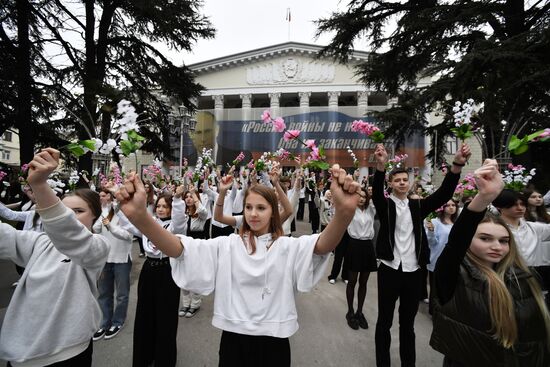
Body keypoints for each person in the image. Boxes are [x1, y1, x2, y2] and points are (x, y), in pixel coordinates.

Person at [115, 164, 360, 367]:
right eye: (249, 207)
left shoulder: (286, 246)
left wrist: (344, 214)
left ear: (273, 213)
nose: (253, 213)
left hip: (274, 342)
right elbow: (180, 249)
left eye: (261, 208)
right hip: (233, 340)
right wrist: (141, 218)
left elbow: (321, 245)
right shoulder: (228, 245)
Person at [430, 160, 550, 366]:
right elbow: (455, 243)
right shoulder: (455, 276)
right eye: (485, 238)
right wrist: (484, 197)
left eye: (504, 241)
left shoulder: (526, 277)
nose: (497, 246)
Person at [0, 148, 109, 366]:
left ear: (96, 216)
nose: (70, 217)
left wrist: (40, 185)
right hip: (19, 355)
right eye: (65, 211)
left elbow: (70, 234)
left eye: (78, 211)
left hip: (67, 354)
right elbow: (5, 235)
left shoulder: (97, 247)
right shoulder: (39, 242)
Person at [372, 143, 470, 367]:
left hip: (413, 271)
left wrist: (457, 165)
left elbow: (444, 194)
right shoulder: (386, 206)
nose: (402, 183)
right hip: (389, 269)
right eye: (396, 180)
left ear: (410, 183)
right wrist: (380, 166)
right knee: (384, 322)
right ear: (391, 184)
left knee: (408, 325)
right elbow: (377, 193)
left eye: (405, 180)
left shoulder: (418, 207)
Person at [127, 188, 187, 367]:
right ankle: (144, 355)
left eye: (165, 206)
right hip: (149, 270)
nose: (161, 209)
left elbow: (178, 218)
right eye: (158, 206)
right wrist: (120, 203)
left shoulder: (175, 226)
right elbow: (129, 223)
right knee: (145, 314)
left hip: (168, 271)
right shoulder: (150, 223)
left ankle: (164, 359)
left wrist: (176, 199)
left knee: (165, 317)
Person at [92, 189, 134, 341]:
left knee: (122, 295)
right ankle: (104, 323)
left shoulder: (127, 214)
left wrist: (110, 226)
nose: (101, 198)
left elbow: (128, 236)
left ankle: (117, 322)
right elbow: (96, 229)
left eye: (104, 195)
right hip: (105, 258)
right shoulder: (105, 210)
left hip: (122, 258)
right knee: (104, 293)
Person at [344, 188, 377, 330]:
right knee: (352, 281)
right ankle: (350, 312)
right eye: (359, 196)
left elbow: (380, 196)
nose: (362, 199)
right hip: (354, 245)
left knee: (364, 282)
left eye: (364, 196)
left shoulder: (371, 210)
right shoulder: (350, 210)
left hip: (368, 246)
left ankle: (359, 312)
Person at [424, 199, 458, 314]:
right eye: (448, 205)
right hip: (437, 257)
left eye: (453, 205)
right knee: (435, 287)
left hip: (452, 259)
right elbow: (432, 243)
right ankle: (434, 311)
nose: (451, 207)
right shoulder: (435, 222)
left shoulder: (457, 222)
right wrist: (431, 232)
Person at [179, 186, 209, 318]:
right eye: (186, 197)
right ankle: (185, 303)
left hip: (197, 247)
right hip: (184, 246)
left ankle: (195, 304)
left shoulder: (200, 214)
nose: (188, 199)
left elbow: (202, 209)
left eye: (191, 197)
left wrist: (194, 194)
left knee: (195, 275)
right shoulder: (182, 213)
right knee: (184, 275)